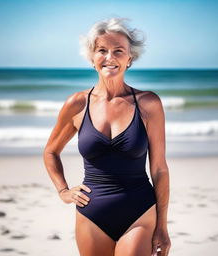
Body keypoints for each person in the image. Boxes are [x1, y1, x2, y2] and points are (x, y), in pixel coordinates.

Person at [43, 17, 171, 256]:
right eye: (102, 50)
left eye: (118, 51)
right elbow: (50, 152)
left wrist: (162, 226)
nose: (109, 58)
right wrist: (63, 191)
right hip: (92, 215)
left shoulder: (148, 104)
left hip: (139, 213)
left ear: (130, 58)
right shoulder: (77, 104)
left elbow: (159, 170)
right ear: (92, 58)